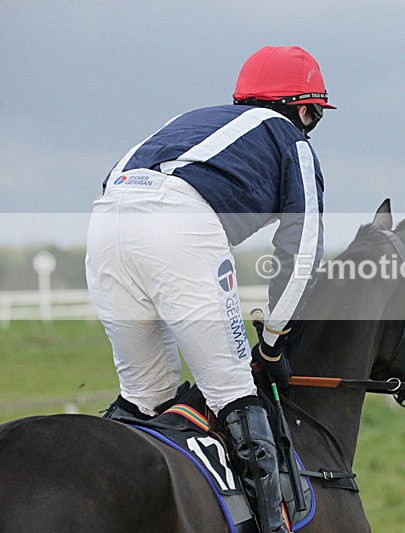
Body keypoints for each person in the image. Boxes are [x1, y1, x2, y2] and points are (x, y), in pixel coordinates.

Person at [85, 45, 333, 533]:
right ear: (305, 108)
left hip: (104, 222)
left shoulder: (193, 119)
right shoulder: (294, 141)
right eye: (315, 114)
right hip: (178, 224)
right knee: (235, 392)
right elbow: (302, 249)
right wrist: (275, 339)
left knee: (146, 397)